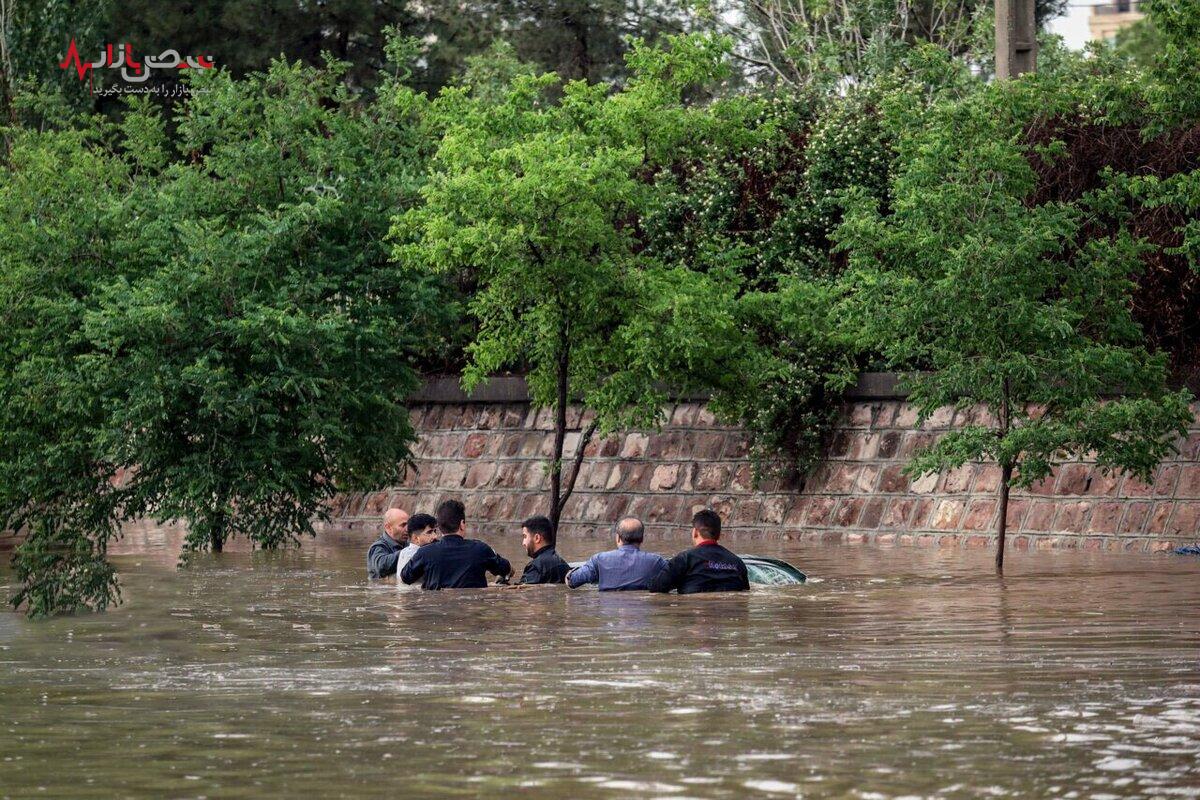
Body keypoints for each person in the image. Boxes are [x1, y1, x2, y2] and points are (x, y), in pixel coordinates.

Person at [400, 499, 512, 589]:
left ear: (439, 527)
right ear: (462, 524)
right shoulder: (481, 549)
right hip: (471, 611)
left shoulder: (425, 552)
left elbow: (405, 577)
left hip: (436, 611)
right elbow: (505, 568)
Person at [647, 509, 749, 594]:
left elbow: (656, 588)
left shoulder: (684, 559)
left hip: (694, 612)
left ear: (695, 532)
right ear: (719, 534)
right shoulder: (737, 562)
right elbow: (745, 591)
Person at [567, 517, 667, 591]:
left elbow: (572, 581)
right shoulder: (656, 562)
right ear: (642, 539)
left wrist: (569, 575)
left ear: (618, 538)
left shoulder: (599, 560)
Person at [519, 515, 570, 585]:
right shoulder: (563, 564)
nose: (523, 543)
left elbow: (522, 592)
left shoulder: (535, 567)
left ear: (537, 538)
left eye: (525, 536)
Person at [367, 507, 409, 579]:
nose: (407, 529)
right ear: (388, 527)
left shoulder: (408, 545)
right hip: (382, 589)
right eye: (403, 525)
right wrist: (408, 552)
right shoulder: (378, 547)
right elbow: (381, 567)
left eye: (409, 524)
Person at [396, 513, 438, 577]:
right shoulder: (416, 555)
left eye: (435, 531)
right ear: (415, 538)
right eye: (429, 532)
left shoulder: (404, 552)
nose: (435, 536)